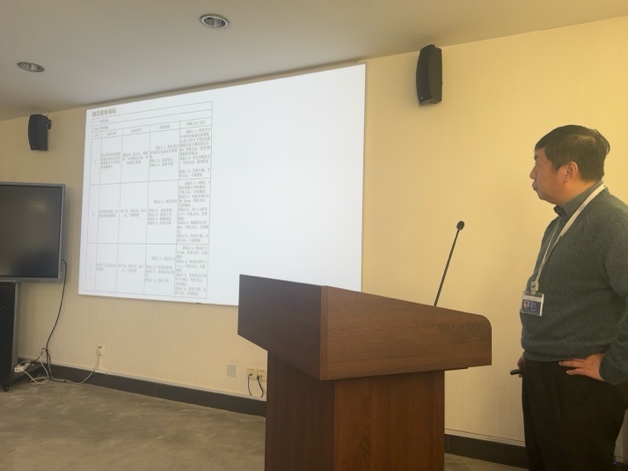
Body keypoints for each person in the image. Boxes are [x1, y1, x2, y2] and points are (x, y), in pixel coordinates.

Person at [517, 124, 628, 470]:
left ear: (568, 170)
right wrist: (537, 350)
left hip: (579, 385)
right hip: (544, 371)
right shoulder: (561, 222)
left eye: (538, 163)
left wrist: (613, 367)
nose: (532, 173)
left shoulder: (613, 222)